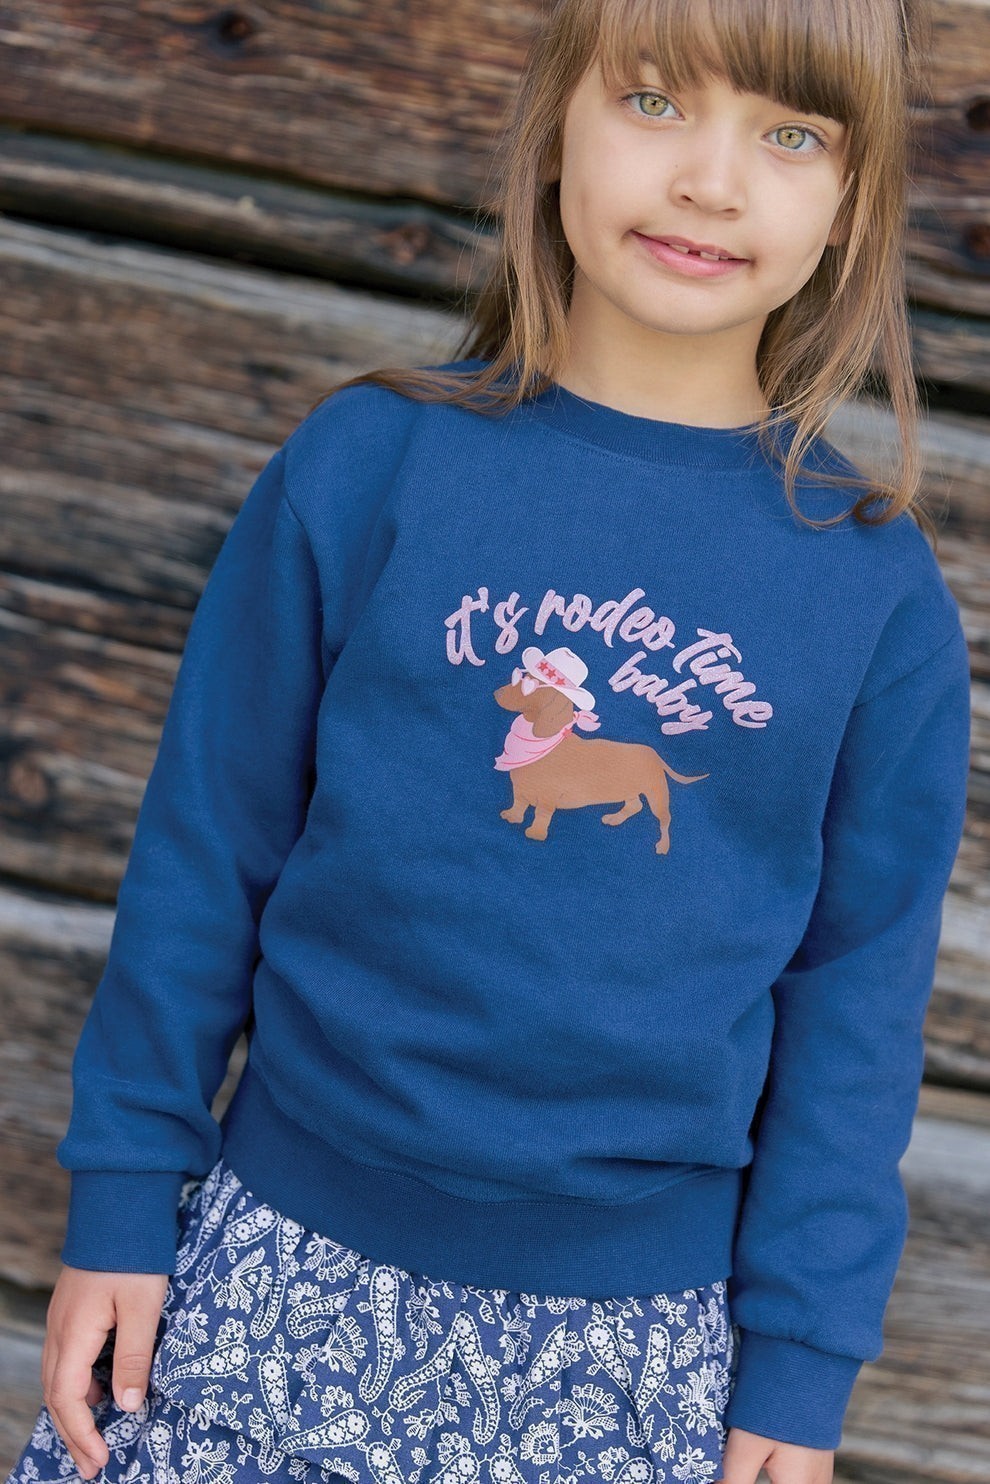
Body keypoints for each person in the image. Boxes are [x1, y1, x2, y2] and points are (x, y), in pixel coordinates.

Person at [7, 1, 971, 1483]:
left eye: (790, 135)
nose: (711, 181)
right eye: (654, 102)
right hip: (271, 1266)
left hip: (633, 1349)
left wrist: (799, 1367)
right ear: (554, 124)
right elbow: (206, 847)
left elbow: (856, 1010)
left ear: (851, 204)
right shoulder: (369, 467)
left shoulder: (873, 600)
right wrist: (128, 1191)